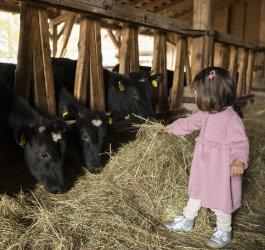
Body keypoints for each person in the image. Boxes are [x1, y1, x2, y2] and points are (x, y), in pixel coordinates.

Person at [164, 67, 249, 249]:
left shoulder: (231, 118)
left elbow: (240, 142)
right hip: (203, 165)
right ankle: (187, 220)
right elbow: (189, 123)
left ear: (211, 95)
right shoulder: (205, 114)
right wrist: (173, 127)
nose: (196, 97)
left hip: (221, 168)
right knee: (196, 192)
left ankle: (224, 230)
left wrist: (239, 161)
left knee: (221, 201)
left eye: (198, 93)